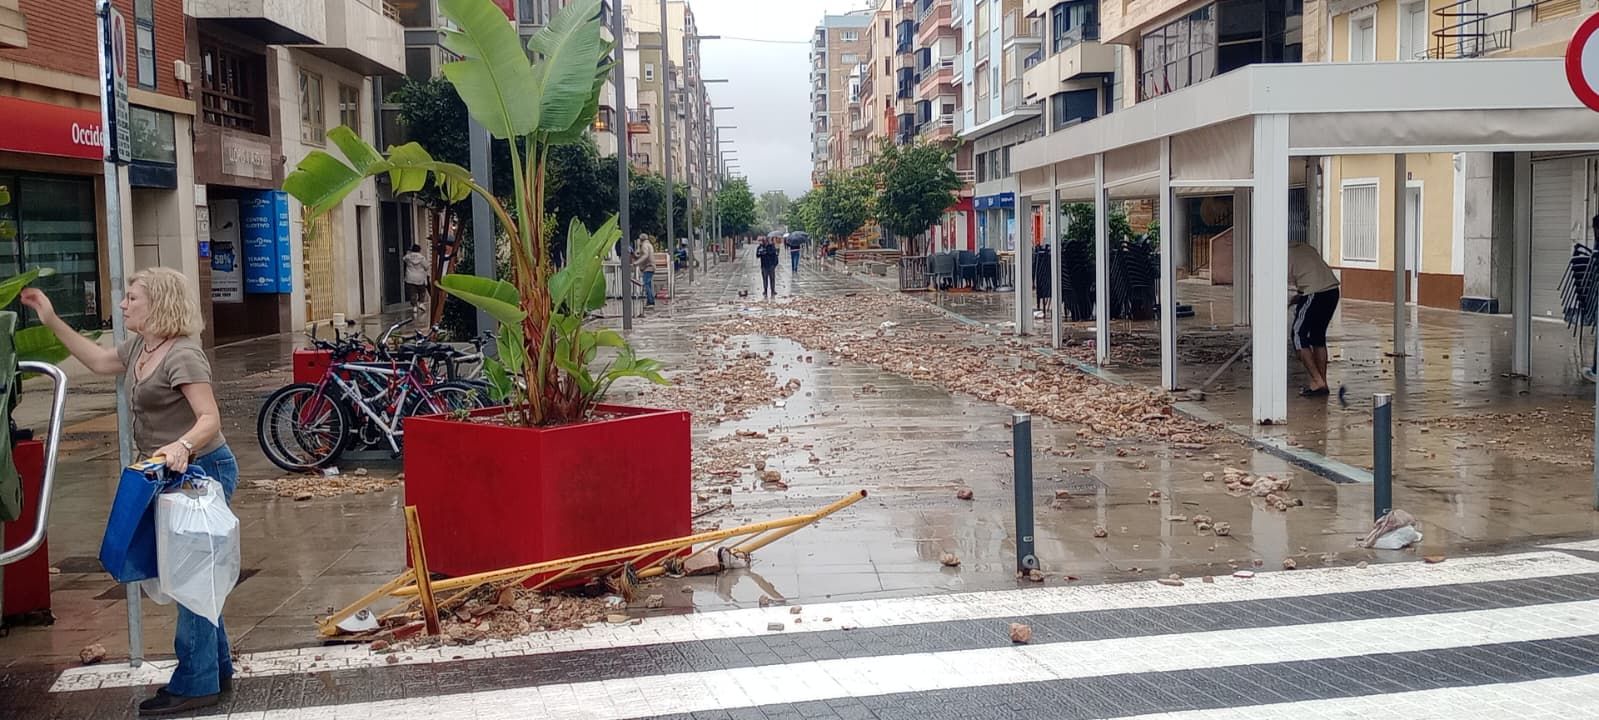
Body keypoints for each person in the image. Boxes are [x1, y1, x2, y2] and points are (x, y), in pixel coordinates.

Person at [23, 268, 236, 716]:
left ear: (157, 303)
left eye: (132, 298)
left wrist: (181, 445)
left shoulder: (183, 355)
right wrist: (51, 319)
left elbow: (209, 419)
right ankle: (215, 667)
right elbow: (100, 362)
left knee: (190, 581)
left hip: (203, 471)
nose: (123, 306)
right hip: (168, 475)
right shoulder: (143, 346)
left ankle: (196, 684)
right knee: (193, 579)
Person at [1288, 239, 1341, 397]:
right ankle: (1322, 382)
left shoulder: (1282, 254)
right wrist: (1299, 298)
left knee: (1298, 334)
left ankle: (1317, 380)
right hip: (1332, 291)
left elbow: (1276, 281)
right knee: (1317, 336)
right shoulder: (1305, 248)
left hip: (1314, 293)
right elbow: (1313, 275)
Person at [402, 243, 429, 311]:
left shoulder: (408, 257)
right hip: (420, 278)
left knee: (412, 292)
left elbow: (403, 258)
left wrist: (408, 252)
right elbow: (426, 267)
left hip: (410, 277)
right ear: (419, 250)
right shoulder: (422, 258)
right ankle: (421, 303)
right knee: (422, 291)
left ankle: (414, 306)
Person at [634, 233, 657, 307]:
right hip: (651, 266)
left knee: (646, 284)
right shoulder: (649, 244)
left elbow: (645, 255)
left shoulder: (644, 245)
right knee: (649, 284)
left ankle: (650, 301)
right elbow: (641, 254)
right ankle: (651, 300)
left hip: (648, 267)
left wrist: (636, 263)